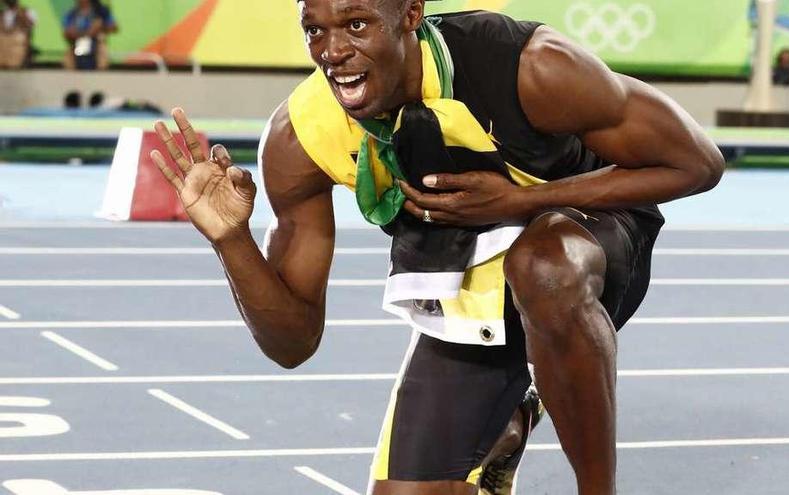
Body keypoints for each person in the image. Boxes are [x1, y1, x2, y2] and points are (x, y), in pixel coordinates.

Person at [150, 1, 724, 494]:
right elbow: (293, 343)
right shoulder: (301, 135)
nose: (332, 51)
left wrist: (521, 201)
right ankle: (510, 420)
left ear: (411, 14)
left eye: (356, 25)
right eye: (315, 30)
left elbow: (696, 161)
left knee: (544, 267)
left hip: (588, 239)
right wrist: (232, 242)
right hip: (467, 275)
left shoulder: (530, 66)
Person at [62, 0, 106, 70]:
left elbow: (112, 26)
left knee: (101, 49)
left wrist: (99, 28)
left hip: (94, 45)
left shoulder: (99, 12)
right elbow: (66, 32)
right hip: (76, 44)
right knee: (69, 56)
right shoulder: (72, 14)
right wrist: (86, 33)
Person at [0, 0, 36, 69]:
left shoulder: (27, 11)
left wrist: (20, 12)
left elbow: (30, 25)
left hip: (18, 52)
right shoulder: (2, 13)